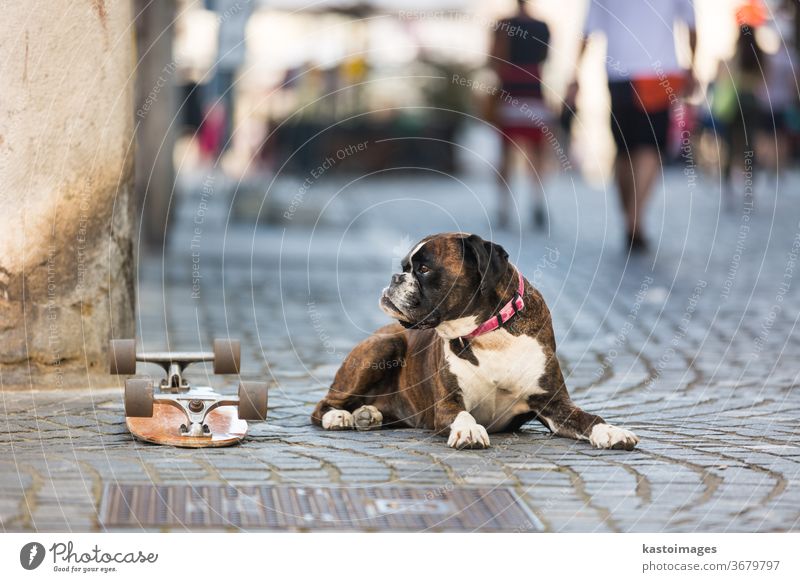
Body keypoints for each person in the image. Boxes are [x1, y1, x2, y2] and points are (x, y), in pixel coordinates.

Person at [569, 0, 697, 252]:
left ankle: (630, 218)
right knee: (649, 148)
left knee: (624, 151)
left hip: (619, 75)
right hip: (659, 74)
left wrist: (575, 75)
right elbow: (692, 25)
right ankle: (635, 219)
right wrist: (692, 65)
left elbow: (587, 31)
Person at [489, 0, 552, 230]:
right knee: (536, 154)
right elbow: (545, 57)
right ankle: (537, 201)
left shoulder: (502, 25)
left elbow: (492, 60)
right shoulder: (543, 27)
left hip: (510, 92)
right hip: (534, 91)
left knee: (506, 153)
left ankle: (504, 207)